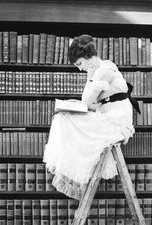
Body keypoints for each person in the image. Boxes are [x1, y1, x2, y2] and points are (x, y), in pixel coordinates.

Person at [43, 34, 135, 200]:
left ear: (88, 57)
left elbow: (86, 101)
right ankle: (74, 167)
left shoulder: (104, 69)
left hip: (116, 120)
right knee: (62, 118)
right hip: (106, 114)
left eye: (79, 63)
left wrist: (89, 81)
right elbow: (90, 104)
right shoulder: (97, 70)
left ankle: (75, 168)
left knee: (64, 119)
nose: (80, 68)